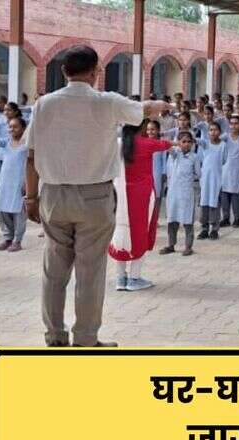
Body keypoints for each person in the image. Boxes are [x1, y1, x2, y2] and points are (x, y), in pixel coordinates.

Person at [23, 45, 169, 346]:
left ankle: (54, 336)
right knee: (90, 272)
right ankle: (86, 338)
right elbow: (143, 109)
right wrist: (159, 105)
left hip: (54, 195)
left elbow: (31, 155)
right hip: (95, 198)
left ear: (64, 70)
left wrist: (31, 198)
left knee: (54, 271)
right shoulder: (107, 102)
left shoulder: (44, 105)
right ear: (96, 72)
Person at [109, 119, 173, 292]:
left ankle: (120, 278)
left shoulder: (117, 144)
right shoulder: (146, 143)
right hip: (142, 197)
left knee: (120, 232)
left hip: (119, 195)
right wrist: (177, 143)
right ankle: (134, 278)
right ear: (141, 126)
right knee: (140, 234)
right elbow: (165, 144)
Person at [0, 117, 29, 252]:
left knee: (18, 212)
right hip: (4, 183)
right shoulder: (6, 141)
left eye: (15, 127)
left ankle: (17, 241)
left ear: (23, 129)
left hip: (19, 182)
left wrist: (27, 183)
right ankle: (7, 238)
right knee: (2, 210)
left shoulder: (28, 145)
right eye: (10, 127)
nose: (11, 129)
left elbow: (31, 165)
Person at [159, 131, 199, 256]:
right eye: (183, 141)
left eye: (189, 142)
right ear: (178, 142)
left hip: (186, 193)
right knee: (172, 219)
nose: (186, 144)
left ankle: (188, 246)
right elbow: (166, 145)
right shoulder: (174, 154)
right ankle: (171, 245)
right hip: (173, 192)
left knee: (187, 220)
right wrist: (176, 144)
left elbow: (198, 174)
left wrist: (188, 180)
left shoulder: (194, 157)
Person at [197, 122, 227, 240]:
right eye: (210, 130)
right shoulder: (205, 143)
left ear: (220, 132)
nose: (213, 132)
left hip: (216, 179)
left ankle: (214, 229)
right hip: (205, 179)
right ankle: (204, 228)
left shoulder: (223, 145)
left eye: (215, 130)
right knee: (204, 202)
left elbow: (224, 160)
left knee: (214, 202)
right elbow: (197, 142)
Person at [219, 115, 239, 228]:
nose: (233, 126)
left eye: (236, 123)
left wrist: (237, 162)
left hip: (237, 169)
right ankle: (225, 218)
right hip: (224, 169)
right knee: (224, 194)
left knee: (236, 194)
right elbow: (217, 142)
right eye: (231, 124)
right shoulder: (225, 136)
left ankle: (237, 219)